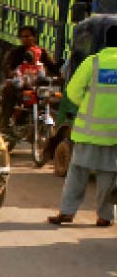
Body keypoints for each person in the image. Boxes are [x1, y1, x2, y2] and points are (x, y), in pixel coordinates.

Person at [48, 26, 117, 228]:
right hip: (114, 135)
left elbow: (73, 90)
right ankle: (105, 216)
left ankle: (67, 213)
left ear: (105, 41)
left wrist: (85, 105)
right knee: (108, 176)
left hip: (88, 131)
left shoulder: (94, 62)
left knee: (77, 173)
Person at [0, 25, 58, 133]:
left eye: (27, 36)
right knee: (8, 91)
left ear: (34, 37)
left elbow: (52, 67)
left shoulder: (42, 52)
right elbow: (6, 67)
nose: (24, 39)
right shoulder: (15, 52)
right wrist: (12, 74)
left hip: (37, 86)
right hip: (20, 85)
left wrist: (59, 75)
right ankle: (4, 123)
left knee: (55, 97)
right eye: (22, 37)